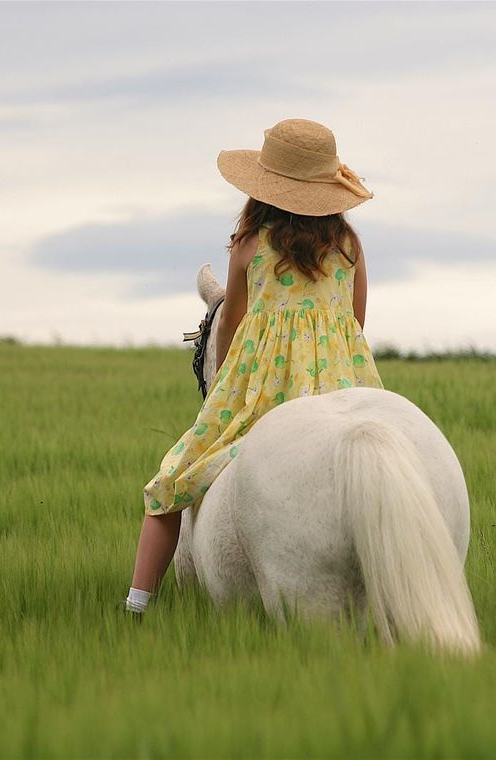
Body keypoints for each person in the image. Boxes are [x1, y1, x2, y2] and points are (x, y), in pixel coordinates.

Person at [124, 118, 383, 614]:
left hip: (264, 390)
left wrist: (230, 383)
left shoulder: (248, 247)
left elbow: (232, 326)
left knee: (170, 484)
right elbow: (358, 320)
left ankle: (136, 606)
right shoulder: (350, 247)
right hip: (345, 383)